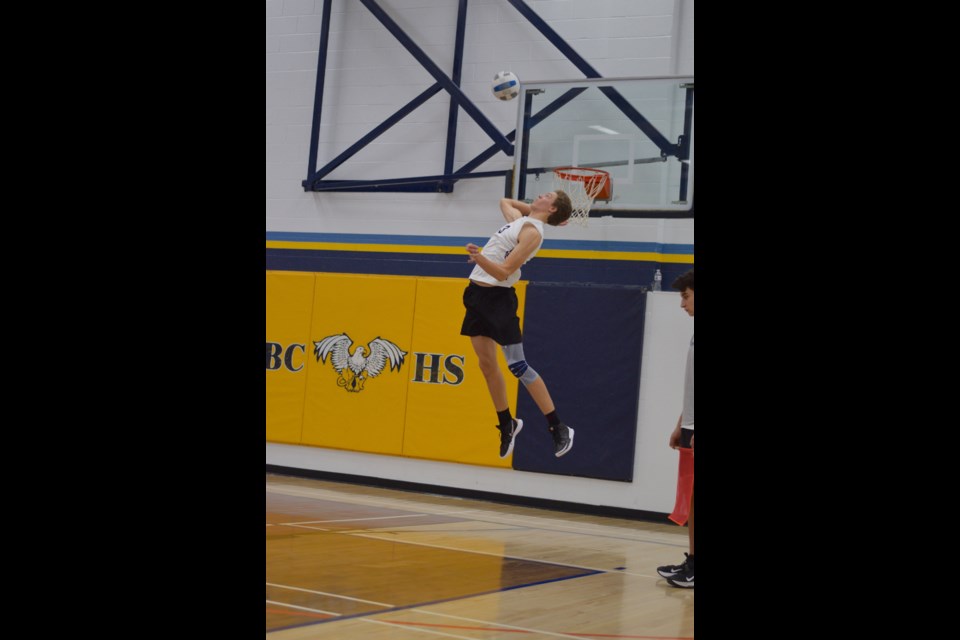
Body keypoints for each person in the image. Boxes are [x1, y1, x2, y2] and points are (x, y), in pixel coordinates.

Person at [460, 191, 575, 459]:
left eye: (548, 195)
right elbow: (505, 202)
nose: (540, 193)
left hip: (499, 299)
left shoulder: (533, 232)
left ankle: (558, 427)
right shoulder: (519, 221)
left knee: (517, 366)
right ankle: (507, 424)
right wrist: (547, 214)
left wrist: (479, 257)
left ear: (553, 207)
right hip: (477, 296)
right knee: (487, 365)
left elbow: (503, 271)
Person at [657, 268, 694, 589]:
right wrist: (681, 424)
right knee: (691, 498)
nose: (682, 304)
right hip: (691, 426)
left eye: (686, 296)